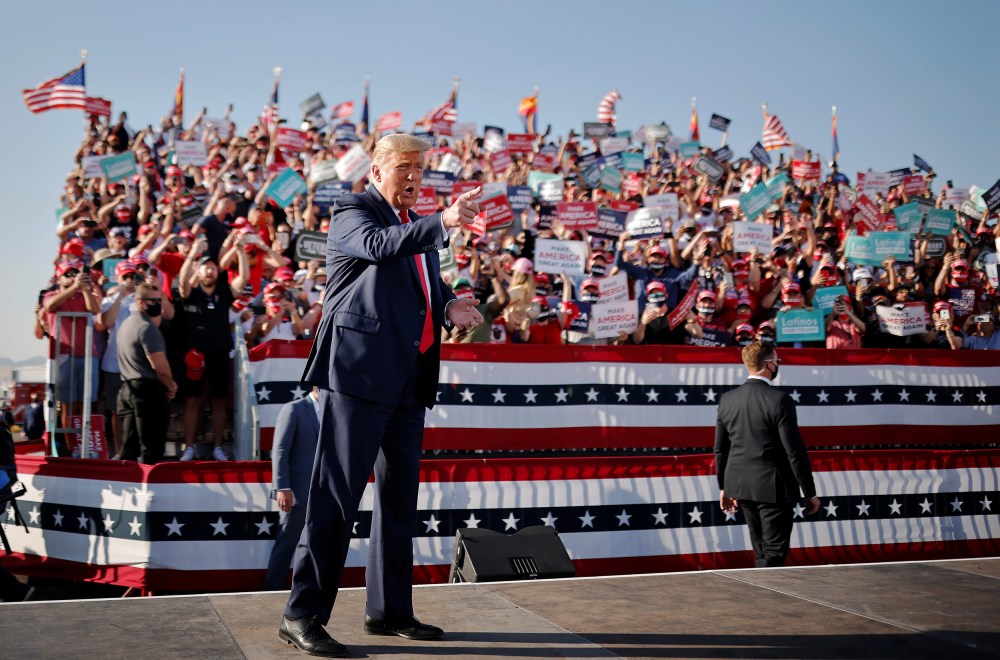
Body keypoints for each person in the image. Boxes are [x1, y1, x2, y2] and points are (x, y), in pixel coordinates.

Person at [279, 134, 484, 657]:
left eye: (420, 168)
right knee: (335, 498)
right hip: (359, 377)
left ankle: (389, 611)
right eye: (404, 167)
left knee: (398, 502)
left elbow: (421, 287)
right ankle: (301, 615)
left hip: (408, 382)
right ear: (377, 169)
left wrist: (449, 306)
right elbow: (377, 249)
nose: (414, 176)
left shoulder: (412, 228)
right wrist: (443, 223)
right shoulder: (354, 210)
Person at [715, 341, 820, 568]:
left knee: (761, 548)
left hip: (741, 486)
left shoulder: (727, 399)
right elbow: (794, 450)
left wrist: (725, 487)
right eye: (777, 361)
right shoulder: (780, 400)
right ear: (769, 364)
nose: (778, 365)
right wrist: (809, 492)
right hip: (774, 487)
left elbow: (721, 448)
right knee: (773, 551)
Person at [264, 387, 321, 591]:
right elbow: (280, 450)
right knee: (287, 543)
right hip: (296, 493)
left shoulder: (335, 413)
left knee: (317, 545)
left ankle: (308, 589)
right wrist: (283, 487)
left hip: (323, 494)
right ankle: (271, 589)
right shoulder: (294, 409)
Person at [116, 283, 177, 464]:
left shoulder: (125, 325)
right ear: (141, 303)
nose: (158, 304)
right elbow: (161, 368)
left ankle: (127, 488)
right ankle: (151, 490)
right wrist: (170, 385)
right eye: (155, 301)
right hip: (147, 392)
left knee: (129, 451)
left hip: (127, 389)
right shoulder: (146, 328)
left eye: (160, 300)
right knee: (152, 450)